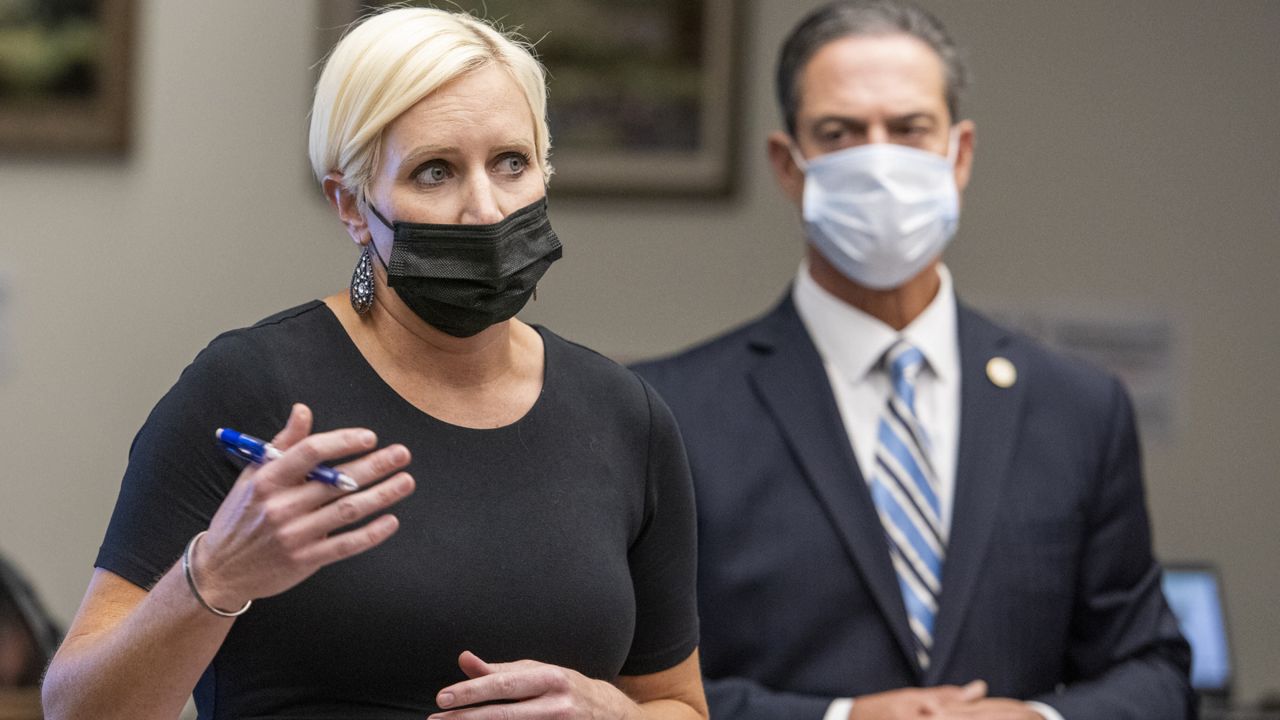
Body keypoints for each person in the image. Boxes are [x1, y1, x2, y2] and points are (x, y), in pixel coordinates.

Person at [41, 8, 707, 720]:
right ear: (352, 205)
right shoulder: (248, 389)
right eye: (435, 172)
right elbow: (78, 710)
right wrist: (216, 574)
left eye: (511, 163)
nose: (484, 209)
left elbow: (677, 703)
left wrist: (616, 716)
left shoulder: (623, 416)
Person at [632, 2, 1192, 719]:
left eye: (908, 129)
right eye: (840, 133)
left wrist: (1037, 719)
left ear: (958, 155)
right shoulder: (668, 413)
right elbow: (636, 690)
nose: (879, 158)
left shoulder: (1078, 408)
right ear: (788, 164)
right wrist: (840, 719)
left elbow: (1152, 670)